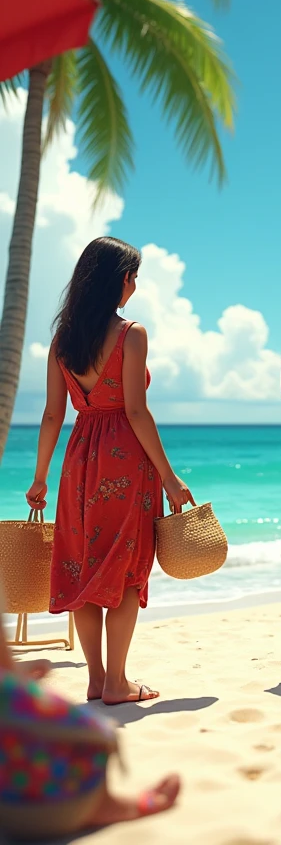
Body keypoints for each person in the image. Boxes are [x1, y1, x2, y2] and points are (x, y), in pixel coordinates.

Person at [26, 237, 192, 705]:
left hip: (79, 462)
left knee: (83, 569)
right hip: (125, 460)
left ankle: (96, 678)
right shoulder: (131, 334)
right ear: (121, 280)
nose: (135, 286)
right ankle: (117, 682)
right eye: (134, 277)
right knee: (124, 570)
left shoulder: (63, 341)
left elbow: (52, 415)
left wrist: (40, 477)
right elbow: (137, 412)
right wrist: (168, 476)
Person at [0, 586, 180, 837]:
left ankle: (97, 680)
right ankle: (103, 804)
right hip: (31, 807)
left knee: (80, 579)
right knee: (127, 579)